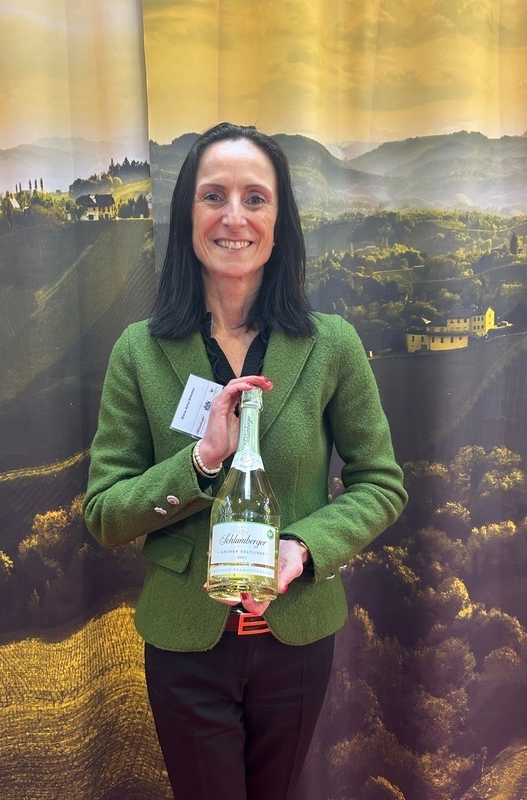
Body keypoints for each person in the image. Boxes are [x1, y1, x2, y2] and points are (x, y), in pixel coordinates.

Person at [83, 122, 407, 800]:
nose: (234, 216)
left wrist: (304, 548)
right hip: (185, 643)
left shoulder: (331, 345)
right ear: (187, 217)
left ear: (279, 223)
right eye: (214, 196)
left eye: (255, 198)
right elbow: (105, 515)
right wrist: (201, 460)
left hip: (297, 642)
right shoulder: (138, 352)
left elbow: (380, 484)